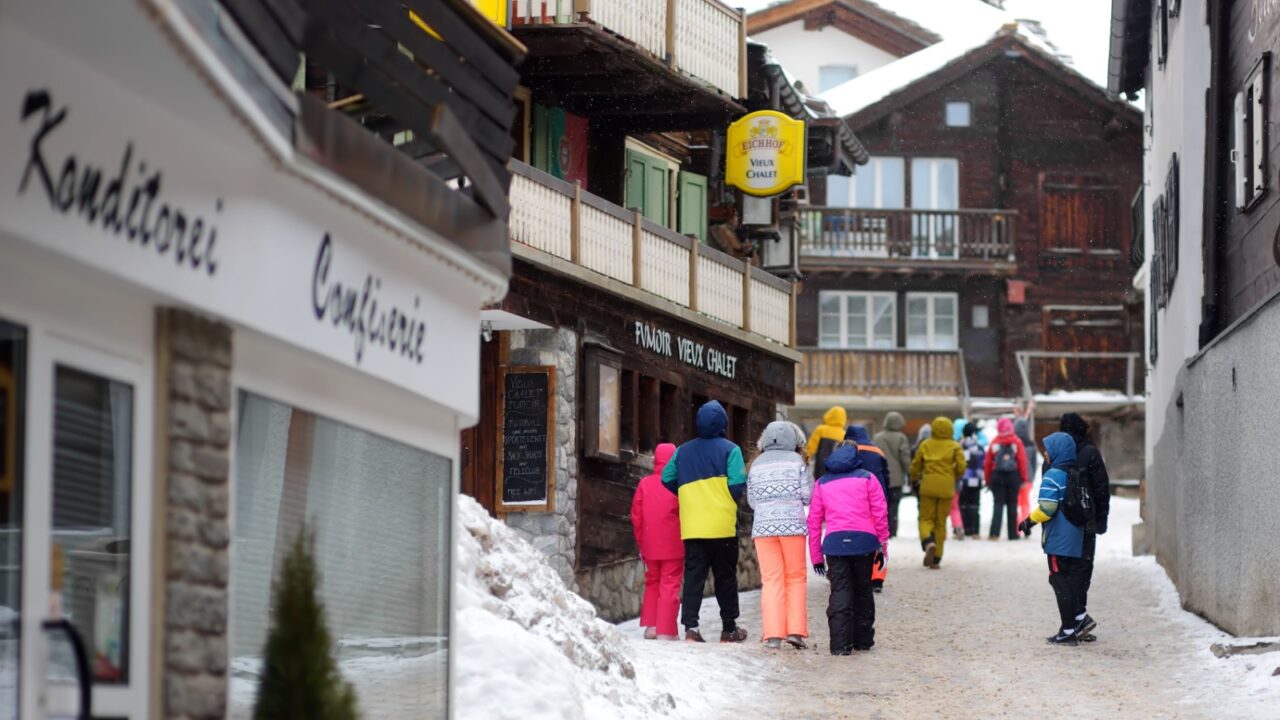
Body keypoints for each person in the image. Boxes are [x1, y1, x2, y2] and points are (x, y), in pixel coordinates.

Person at [662, 400, 749, 643]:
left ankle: (691, 628)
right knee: (725, 578)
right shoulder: (732, 450)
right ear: (723, 423)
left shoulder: (682, 451)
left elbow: (666, 477)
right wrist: (724, 499)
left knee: (694, 578)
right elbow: (736, 485)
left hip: (693, 527)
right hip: (722, 526)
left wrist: (686, 493)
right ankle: (729, 628)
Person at [808, 445, 889, 655]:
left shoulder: (822, 483)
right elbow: (880, 513)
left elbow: (814, 521)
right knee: (863, 589)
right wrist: (883, 546)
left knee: (840, 591)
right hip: (864, 542)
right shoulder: (868, 478)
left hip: (835, 544)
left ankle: (840, 644)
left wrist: (816, 556)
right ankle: (862, 639)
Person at [1017, 432, 1094, 645]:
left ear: (1058, 452)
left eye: (1048, 449)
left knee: (1059, 582)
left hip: (1058, 540)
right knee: (1069, 581)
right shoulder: (1074, 473)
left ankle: (1068, 630)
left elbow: (1048, 508)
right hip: (1075, 537)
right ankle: (1078, 620)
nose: (1045, 453)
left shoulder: (1052, 475)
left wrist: (1028, 521)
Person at [746, 421, 813, 650]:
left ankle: (773, 635)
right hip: (792, 527)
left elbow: (752, 501)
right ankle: (795, 631)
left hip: (764, 528)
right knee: (795, 577)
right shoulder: (797, 462)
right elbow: (807, 496)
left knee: (771, 579)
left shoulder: (756, 464)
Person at [1059, 412, 1111, 640]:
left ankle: (1074, 621)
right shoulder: (1090, 453)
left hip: (1062, 523)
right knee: (1083, 569)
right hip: (1086, 521)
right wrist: (1101, 519)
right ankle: (1079, 618)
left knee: (1065, 572)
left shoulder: (1058, 453)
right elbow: (1101, 489)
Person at [631, 443, 683, 640]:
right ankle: (666, 629)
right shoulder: (677, 484)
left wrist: (640, 542)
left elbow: (636, 516)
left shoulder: (644, 484)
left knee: (652, 582)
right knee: (670, 584)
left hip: (649, 544)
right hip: (673, 544)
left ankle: (651, 626)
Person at [908, 417, 965, 569]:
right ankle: (937, 558)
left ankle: (928, 541)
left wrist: (914, 478)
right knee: (940, 523)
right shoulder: (954, 446)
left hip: (928, 487)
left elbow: (915, 466)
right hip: (946, 488)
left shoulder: (926, 444)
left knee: (926, 519)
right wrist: (954, 475)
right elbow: (961, 466)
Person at [983, 418, 1029, 540]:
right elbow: (1022, 462)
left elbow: (987, 463)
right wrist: (1023, 478)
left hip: (997, 476)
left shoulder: (995, 442)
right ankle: (1013, 534)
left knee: (997, 505)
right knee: (1012, 506)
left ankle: (994, 533)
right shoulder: (1017, 441)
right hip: (1013, 476)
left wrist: (988, 480)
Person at [873, 412, 912, 538]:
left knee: (880, 505)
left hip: (880, 477)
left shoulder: (877, 437)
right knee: (894, 506)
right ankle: (892, 530)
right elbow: (904, 458)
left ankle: (880, 529)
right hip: (896, 478)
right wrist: (910, 472)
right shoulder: (901, 437)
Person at [844, 425, 890, 497]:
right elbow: (885, 476)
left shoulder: (844, 451)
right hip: (875, 494)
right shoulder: (877, 451)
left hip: (850, 495)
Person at [958, 423, 985, 538]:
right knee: (974, 505)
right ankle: (975, 531)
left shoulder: (960, 445)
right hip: (976, 479)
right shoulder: (978, 446)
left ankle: (965, 529)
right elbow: (983, 462)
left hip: (963, 479)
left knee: (963, 505)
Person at [805, 406, 847, 475]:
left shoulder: (821, 430)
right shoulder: (844, 434)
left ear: (829, 415)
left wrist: (805, 460)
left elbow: (811, 448)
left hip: (821, 466)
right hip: (836, 469)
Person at [1014, 418, 1039, 524]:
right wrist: (1032, 477)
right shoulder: (1031, 444)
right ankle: (1024, 524)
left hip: (1015, 476)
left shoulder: (1013, 441)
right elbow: (1034, 462)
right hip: (1028, 476)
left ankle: (1016, 525)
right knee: (1025, 502)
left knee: (1015, 502)